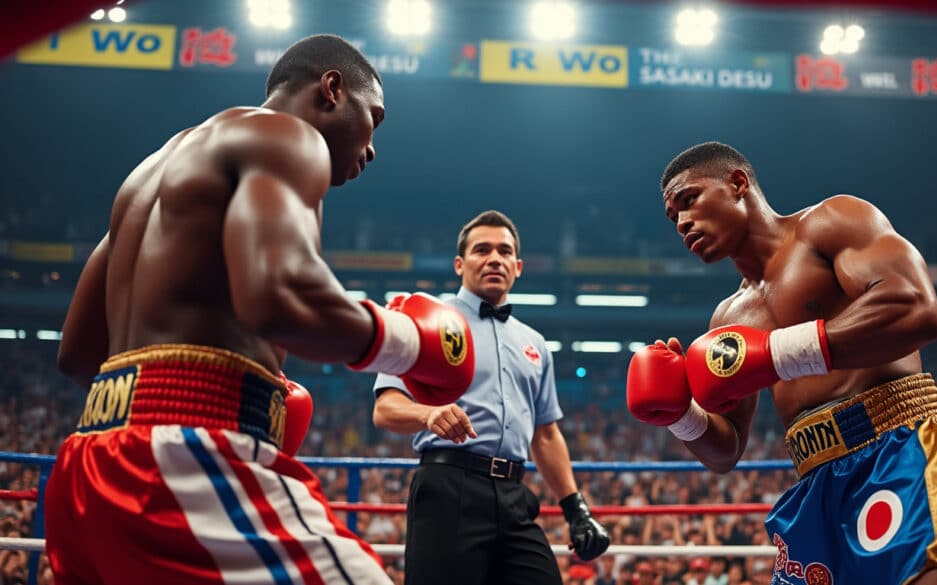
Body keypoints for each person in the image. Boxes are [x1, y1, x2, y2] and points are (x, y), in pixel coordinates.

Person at [46, 34, 476, 585]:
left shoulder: (150, 174)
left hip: (87, 462)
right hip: (183, 461)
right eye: (375, 119)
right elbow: (280, 297)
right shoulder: (286, 136)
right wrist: (409, 343)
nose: (372, 148)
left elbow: (78, 355)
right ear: (332, 88)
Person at [626, 142, 937, 584]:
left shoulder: (831, 223)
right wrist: (682, 415)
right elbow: (727, 450)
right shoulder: (728, 318)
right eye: (672, 216)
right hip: (816, 486)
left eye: (689, 200)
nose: (681, 222)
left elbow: (916, 308)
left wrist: (777, 355)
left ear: (738, 183)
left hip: (903, 451)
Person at [371, 210, 610, 585]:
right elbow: (385, 409)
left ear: (517, 266)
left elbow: (545, 435)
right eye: (482, 249)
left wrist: (575, 508)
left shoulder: (533, 342)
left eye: (504, 251)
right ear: (459, 263)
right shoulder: (425, 320)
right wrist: (428, 414)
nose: (494, 258)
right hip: (448, 486)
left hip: (515, 494)